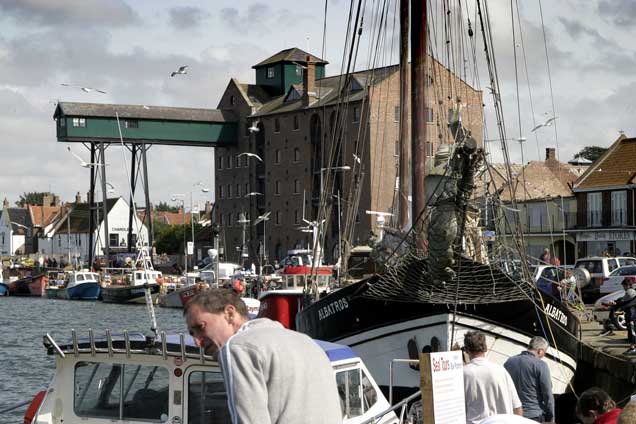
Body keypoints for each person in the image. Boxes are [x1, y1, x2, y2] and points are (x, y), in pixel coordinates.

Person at [184, 289, 342, 424]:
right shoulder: (308, 343)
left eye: (200, 327)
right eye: (192, 334)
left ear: (229, 313)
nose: (197, 342)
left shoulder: (237, 347)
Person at [463, 331, 523, 424]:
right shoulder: (501, 370)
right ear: (486, 348)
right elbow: (517, 406)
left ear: (466, 350)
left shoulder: (463, 373)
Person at [504, 336, 554, 423]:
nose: (544, 355)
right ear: (540, 351)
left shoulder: (509, 362)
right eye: (544, 353)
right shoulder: (541, 365)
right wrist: (551, 418)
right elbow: (548, 395)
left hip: (513, 415)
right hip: (534, 416)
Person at [604, 278, 636, 355]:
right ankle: (632, 347)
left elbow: (624, 300)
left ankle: (633, 348)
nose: (623, 288)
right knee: (631, 332)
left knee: (632, 332)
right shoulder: (631, 292)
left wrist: (615, 303)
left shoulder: (631, 292)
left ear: (627, 285)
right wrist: (615, 304)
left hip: (632, 316)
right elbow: (623, 301)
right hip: (630, 315)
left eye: (624, 286)